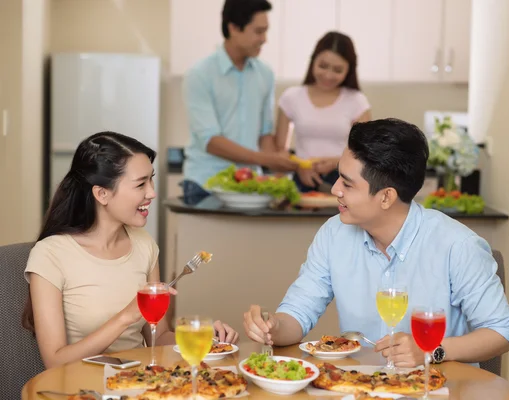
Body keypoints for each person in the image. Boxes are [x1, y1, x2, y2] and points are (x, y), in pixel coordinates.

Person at [243, 118, 509, 367]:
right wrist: (272, 327)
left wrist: (431, 350)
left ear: (386, 197)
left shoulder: (457, 246)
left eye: (347, 184)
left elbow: (502, 332)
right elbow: (297, 315)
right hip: (359, 388)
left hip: (435, 389)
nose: (335, 189)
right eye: (338, 177)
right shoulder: (333, 234)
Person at [22, 132, 239, 369]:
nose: (152, 192)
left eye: (151, 180)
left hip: (141, 385)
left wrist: (202, 338)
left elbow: (159, 337)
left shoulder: (144, 245)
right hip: (82, 389)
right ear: (102, 194)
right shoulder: (50, 255)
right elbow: (55, 361)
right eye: (140, 184)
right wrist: (127, 315)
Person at [181, 0, 297, 205]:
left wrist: (278, 171)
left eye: (266, 31)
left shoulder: (265, 74)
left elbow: (264, 135)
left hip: (250, 185)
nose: (264, 39)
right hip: (205, 185)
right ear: (233, 28)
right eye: (258, 32)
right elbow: (211, 141)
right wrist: (268, 160)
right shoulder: (199, 75)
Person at [275, 31, 371, 192]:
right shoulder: (291, 97)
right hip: (301, 179)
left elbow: (365, 152)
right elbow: (280, 150)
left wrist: (336, 162)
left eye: (337, 70)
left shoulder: (357, 101)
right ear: (313, 61)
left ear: (349, 70)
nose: (328, 75)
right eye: (323, 66)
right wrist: (299, 166)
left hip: (345, 182)